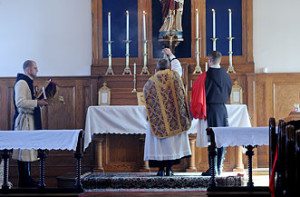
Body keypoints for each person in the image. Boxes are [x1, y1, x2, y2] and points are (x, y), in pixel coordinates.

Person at [143, 48, 191, 176]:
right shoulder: (175, 75)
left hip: (158, 121)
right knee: (172, 146)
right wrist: (171, 55)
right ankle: (170, 169)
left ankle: (160, 170)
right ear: (169, 67)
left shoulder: (150, 82)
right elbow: (178, 67)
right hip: (174, 119)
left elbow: (147, 103)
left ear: (156, 69)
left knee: (160, 146)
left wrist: (149, 117)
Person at [191, 51, 232, 176]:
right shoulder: (227, 76)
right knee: (221, 138)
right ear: (219, 60)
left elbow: (197, 95)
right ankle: (219, 167)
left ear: (209, 60)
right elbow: (229, 92)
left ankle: (213, 168)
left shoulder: (204, 76)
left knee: (212, 139)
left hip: (209, 110)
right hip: (222, 109)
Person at [12, 60, 48, 187]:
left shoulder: (27, 82)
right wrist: (37, 103)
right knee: (24, 151)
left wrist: (39, 102)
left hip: (29, 120)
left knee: (28, 151)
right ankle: (24, 181)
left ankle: (27, 179)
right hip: (24, 121)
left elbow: (28, 102)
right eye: (35, 68)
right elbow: (20, 102)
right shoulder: (22, 83)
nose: (37, 70)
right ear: (28, 70)